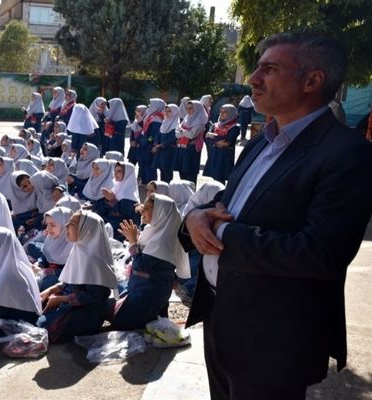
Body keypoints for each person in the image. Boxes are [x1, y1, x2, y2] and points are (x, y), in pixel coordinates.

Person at [180, 32, 372, 400]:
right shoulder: (262, 140)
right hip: (221, 318)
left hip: (273, 342)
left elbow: (321, 253)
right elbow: (227, 203)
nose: (252, 78)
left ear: (312, 81)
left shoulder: (346, 155)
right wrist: (194, 218)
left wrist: (223, 232)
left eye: (268, 69)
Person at [110, 193, 189, 330]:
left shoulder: (164, 240)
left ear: (160, 212)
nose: (142, 210)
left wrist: (133, 242)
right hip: (141, 289)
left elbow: (142, 266)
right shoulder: (153, 230)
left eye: (147, 208)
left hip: (148, 297)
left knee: (118, 321)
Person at [38, 210, 117, 343]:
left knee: (41, 327)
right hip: (72, 304)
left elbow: (94, 295)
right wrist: (52, 290)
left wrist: (60, 299)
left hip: (87, 312)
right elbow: (71, 279)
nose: (67, 225)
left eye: (72, 223)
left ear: (86, 229)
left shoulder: (94, 260)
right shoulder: (79, 249)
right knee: (36, 310)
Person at [203, 104, 240, 184]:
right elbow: (206, 138)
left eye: (225, 112)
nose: (222, 114)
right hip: (214, 154)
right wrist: (217, 140)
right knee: (215, 178)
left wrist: (212, 136)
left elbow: (227, 142)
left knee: (221, 179)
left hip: (225, 156)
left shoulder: (235, 127)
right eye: (221, 112)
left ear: (231, 113)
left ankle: (221, 196)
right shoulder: (215, 125)